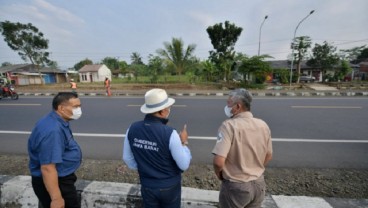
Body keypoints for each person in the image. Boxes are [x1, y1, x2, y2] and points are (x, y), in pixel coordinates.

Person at [123, 88, 191, 208]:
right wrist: (183, 142)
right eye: (168, 107)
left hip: (147, 185)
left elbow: (127, 158)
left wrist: (146, 169)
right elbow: (184, 164)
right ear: (162, 111)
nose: (169, 109)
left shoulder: (132, 128)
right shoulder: (170, 133)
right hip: (169, 187)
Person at [212, 88, 273, 208]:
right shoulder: (263, 125)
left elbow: (219, 162)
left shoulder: (228, 126)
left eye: (228, 104)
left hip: (236, 186)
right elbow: (269, 155)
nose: (227, 107)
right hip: (259, 184)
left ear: (238, 106)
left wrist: (220, 174)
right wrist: (254, 169)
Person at [28, 92, 83, 208]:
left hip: (61, 177)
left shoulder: (57, 120)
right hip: (57, 181)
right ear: (61, 108)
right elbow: (47, 168)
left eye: (80, 106)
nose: (79, 110)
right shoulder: (53, 130)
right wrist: (56, 198)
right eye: (75, 107)